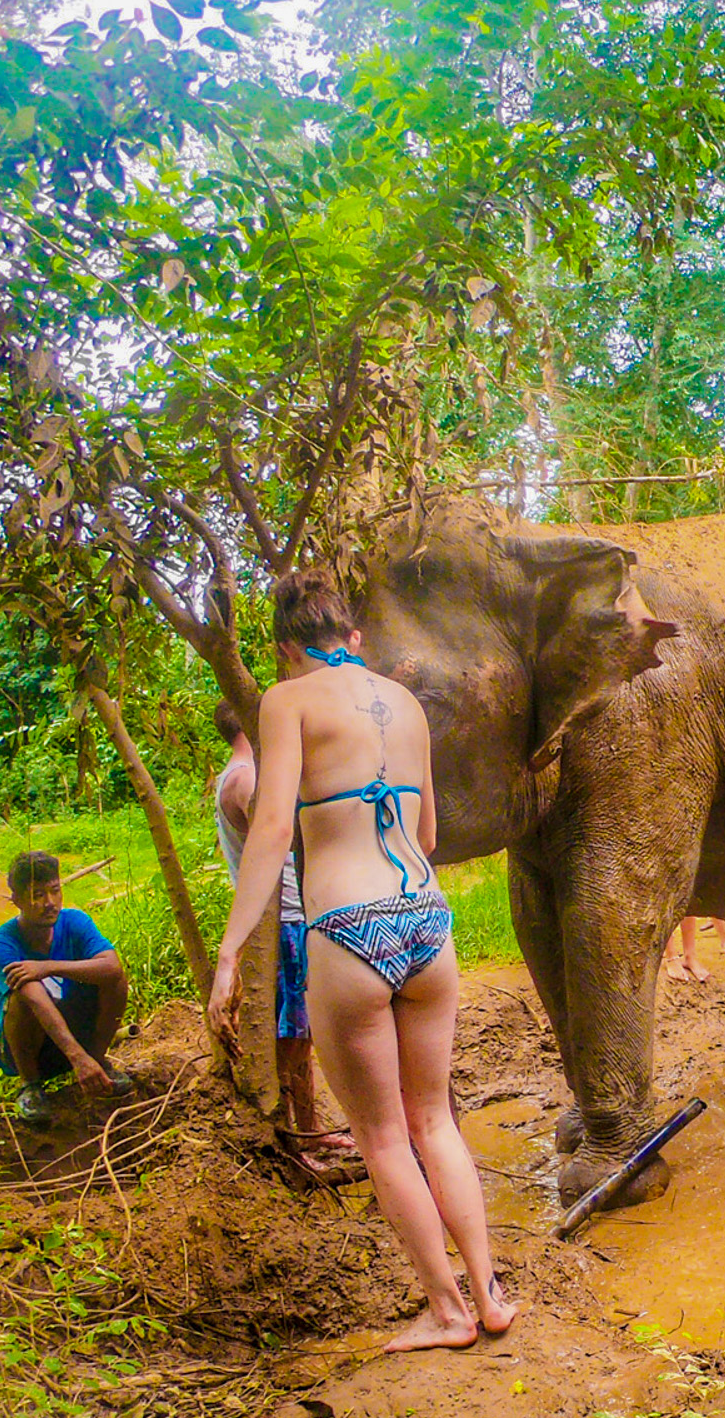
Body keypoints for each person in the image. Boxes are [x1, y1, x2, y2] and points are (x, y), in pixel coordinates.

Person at [209, 570, 512, 1354]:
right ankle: (489, 1292)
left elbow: (273, 826)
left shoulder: (287, 699)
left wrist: (231, 949)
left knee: (381, 1137)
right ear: (353, 636)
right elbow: (431, 830)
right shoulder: (406, 703)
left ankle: (446, 1312)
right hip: (427, 921)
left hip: (347, 926)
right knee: (435, 1119)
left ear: (284, 647)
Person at [213, 702, 337, 1156]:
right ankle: (296, 1138)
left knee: (301, 1032)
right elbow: (277, 837)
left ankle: (310, 1127)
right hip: (283, 918)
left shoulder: (239, 772)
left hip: (288, 916)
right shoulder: (247, 778)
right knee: (291, 1035)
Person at [0, 851, 131, 1127]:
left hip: (74, 1035)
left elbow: (112, 967)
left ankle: (98, 1062)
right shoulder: (2, 944)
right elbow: (36, 1000)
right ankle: (31, 1087)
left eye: (55, 891)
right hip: (31, 1050)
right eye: (37, 894)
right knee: (22, 995)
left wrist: (49, 967)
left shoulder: (75, 922)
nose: (49, 903)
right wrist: (78, 1058)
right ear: (16, 900)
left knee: (115, 981)